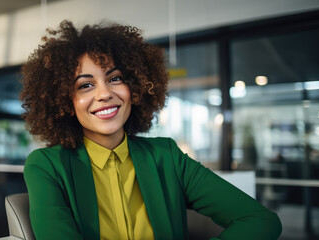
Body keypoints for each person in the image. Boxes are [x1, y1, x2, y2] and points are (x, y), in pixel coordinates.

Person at [20, 20, 282, 240]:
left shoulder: (166, 156)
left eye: (115, 79)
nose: (105, 94)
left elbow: (260, 221)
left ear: (134, 88)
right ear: (65, 101)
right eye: (85, 85)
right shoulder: (47, 165)